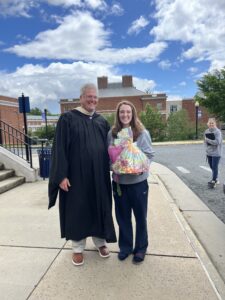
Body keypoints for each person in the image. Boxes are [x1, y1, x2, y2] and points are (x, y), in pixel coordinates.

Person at [48, 83, 116, 266]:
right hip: (76, 177)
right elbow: (59, 148)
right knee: (78, 210)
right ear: (81, 98)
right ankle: (77, 248)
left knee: (99, 206)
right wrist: (61, 175)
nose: (92, 100)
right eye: (89, 97)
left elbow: (111, 148)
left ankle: (100, 243)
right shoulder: (68, 119)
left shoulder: (102, 121)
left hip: (99, 176)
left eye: (95, 97)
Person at [108, 100, 154, 264]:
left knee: (141, 217)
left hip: (138, 183)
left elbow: (149, 155)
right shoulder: (112, 134)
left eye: (128, 112)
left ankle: (140, 248)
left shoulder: (142, 133)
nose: (125, 115)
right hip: (120, 184)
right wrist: (114, 166)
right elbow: (108, 157)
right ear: (118, 114)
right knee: (123, 218)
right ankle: (125, 247)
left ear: (133, 114)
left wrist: (140, 167)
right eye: (122, 112)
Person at [204, 117, 222, 188]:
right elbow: (205, 142)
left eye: (212, 123)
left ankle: (213, 180)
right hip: (209, 152)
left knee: (214, 167)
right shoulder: (206, 131)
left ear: (215, 124)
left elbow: (217, 142)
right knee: (211, 166)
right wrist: (206, 149)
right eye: (210, 123)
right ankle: (216, 178)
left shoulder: (218, 132)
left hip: (216, 153)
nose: (211, 124)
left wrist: (207, 140)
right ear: (208, 124)